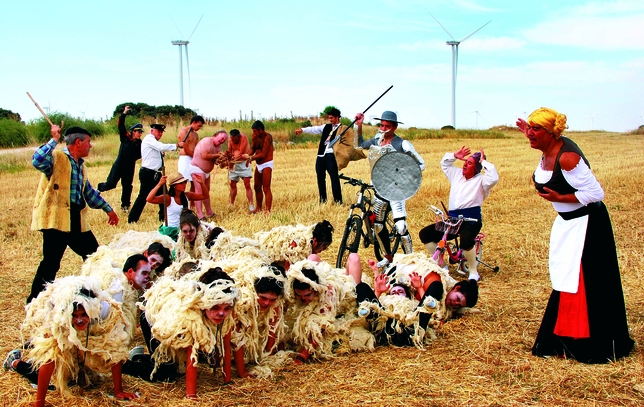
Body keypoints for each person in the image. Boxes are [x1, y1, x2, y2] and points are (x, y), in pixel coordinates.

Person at [517, 107, 634, 364]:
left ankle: (590, 344)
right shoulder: (548, 151)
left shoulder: (568, 158)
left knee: (584, 282)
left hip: (589, 226)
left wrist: (561, 198)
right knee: (566, 278)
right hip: (569, 224)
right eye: (529, 128)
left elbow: (596, 193)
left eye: (536, 130)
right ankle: (563, 339)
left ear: (551, 133)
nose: (530, 134)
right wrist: (531, 132)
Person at [10, 276, 137, 406]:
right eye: (75, 316)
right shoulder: (56, 315)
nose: (80, 320)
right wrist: (39, 403)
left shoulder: (104, 310)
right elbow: (49, 359)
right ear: (69, 314)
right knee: (54, 378)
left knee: (87, 379)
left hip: (86, 320)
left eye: (83, 315)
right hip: (59, 316)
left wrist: (118, 390)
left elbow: (114, 349)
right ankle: (15, 362)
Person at [29, 124, 119, 303]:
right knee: (51, 264)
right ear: (78, 142)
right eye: (88, 142)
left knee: (95, 256)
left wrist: (107, 208)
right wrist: (54, 139)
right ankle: (35, 302)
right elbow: (36, 160)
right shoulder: (56, 158)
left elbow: (88, 192)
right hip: (57, 220)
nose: (90, 145)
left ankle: (100, 293)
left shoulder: (80, 166)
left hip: (76, 220)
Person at [141, 267, 243, 398]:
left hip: (180, 321)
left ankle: (143, 358)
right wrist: (191, 396)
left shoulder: (227, 306)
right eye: (215, 307)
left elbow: (226, 345)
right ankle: (129, 364)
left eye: (227, 308)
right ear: (203, 302)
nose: (222, 313)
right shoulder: (190, 316)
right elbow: (192, 355)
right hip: (154, 319)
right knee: (165, 373)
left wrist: (227, 381)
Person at [354, 111, 425, 267]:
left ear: (395, 127)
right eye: (381, 125)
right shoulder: (377, 141)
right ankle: (388, 257)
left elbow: (420, 164)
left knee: (400, 226)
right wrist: (358, 126)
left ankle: (410, 260)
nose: (383, 128)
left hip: (397, 191)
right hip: (380, 189)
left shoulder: (403, 144)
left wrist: (402, 174)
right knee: (378, 226)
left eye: (387, 126)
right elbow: (358, 144)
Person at [418, 146, 499, 281]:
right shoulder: (456, 174)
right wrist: (454, 155)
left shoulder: (482, 181)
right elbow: (444, 163)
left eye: (470, 163)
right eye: (466, 162)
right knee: (425, 234)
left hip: (471, 220)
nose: (465, 165)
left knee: (466, 241)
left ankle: (473, 272)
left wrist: (484, 162)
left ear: (477, 168)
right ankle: (442, 266)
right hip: (453, 220)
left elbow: (494, 177)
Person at [128, 123, 179, 223]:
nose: (160, 134)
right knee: (143, 197)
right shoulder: (149, 139)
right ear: (152, 131)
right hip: (148, 173)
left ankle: (163, 218)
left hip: (157, 174)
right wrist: (176, 145)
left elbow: (156, 152)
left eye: (161, 132)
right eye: (158, 131)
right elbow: (160, 147)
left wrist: (161, 155)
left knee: (164, 196)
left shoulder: (154, 142)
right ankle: (132, 219)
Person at [294, 107, 346, 204]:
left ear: (337, 117)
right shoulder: (326, 127)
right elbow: (314, 129)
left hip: (331, 156)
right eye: (329, 118)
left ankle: (338, 201)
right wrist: (302, 130)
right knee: (320, 178)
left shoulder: (343, 129)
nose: (330, 120)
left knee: (334, 179)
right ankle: (323, 200)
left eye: (332, 118)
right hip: (321, 155)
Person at [97, 105, 143, 213]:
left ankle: (125, 206)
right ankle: (99, 188)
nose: (140, 134)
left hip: (129, 167)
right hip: (119, 165)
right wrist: (124, 113)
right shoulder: (125, 138)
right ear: (133, 132)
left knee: (127, 187)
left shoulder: (141, 144)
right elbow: (121, 125)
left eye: (141, 132)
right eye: (138, 132)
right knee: (111, 184)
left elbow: (145, 152)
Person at [146, 172, 208, 240]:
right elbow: (149, 199)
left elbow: (205, 196)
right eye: (181, 183)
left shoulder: (187, 196)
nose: (184, 185)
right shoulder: (168, 198)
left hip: (184, 229)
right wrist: (159, 184)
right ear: (174, 185)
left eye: (185, 182)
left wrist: (201, 183)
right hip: (170, 230)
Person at [190, 130, 228, 219]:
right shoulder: (207, 141)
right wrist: (218, 156)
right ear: (216, 135)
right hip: (197, 167)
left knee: (206, 191)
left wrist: (223, 162)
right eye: (221, 138)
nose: (222, 141)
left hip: (206, 171)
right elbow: (204, 155)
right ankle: (200, 215)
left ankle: (209, 212)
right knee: (199, 191)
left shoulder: (219, 147)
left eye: (224, 140)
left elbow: (216, 161)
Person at [248, 120, 274, 214]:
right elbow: (252, 149)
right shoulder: (255, 137)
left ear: (261, 130)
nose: (253, 133)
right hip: (259, 164)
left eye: (255, 131)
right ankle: (258, 208)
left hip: (267, 164)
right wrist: (246, 156)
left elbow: (263, 154)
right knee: (257, 187)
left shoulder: (268, 137)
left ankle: (268, 210)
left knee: (266, 188)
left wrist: (251, 158)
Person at [227, 129, 254, 212]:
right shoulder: (230, 139)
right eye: (232, 139)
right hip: (234, 164)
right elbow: (229, 151)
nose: (233, 141)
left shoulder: (244, 138)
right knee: (232, 184)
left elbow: (241, 154)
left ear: (238, 137)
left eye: (235, 139)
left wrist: (232, 160)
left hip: (243, 163)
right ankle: (231, 203)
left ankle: (251, 204)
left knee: (247, 184)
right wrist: (228, 160)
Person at [177, 115, 205, 182]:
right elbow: (185, 149)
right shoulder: (184, 132)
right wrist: (196, 158)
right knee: (183, 181)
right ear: (194, 122)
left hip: (193, 158)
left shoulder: (195, 134)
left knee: (195, 181)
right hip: (185, 159)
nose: (199, 128)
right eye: (198, 125)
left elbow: (198, 148)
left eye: (200, 126)